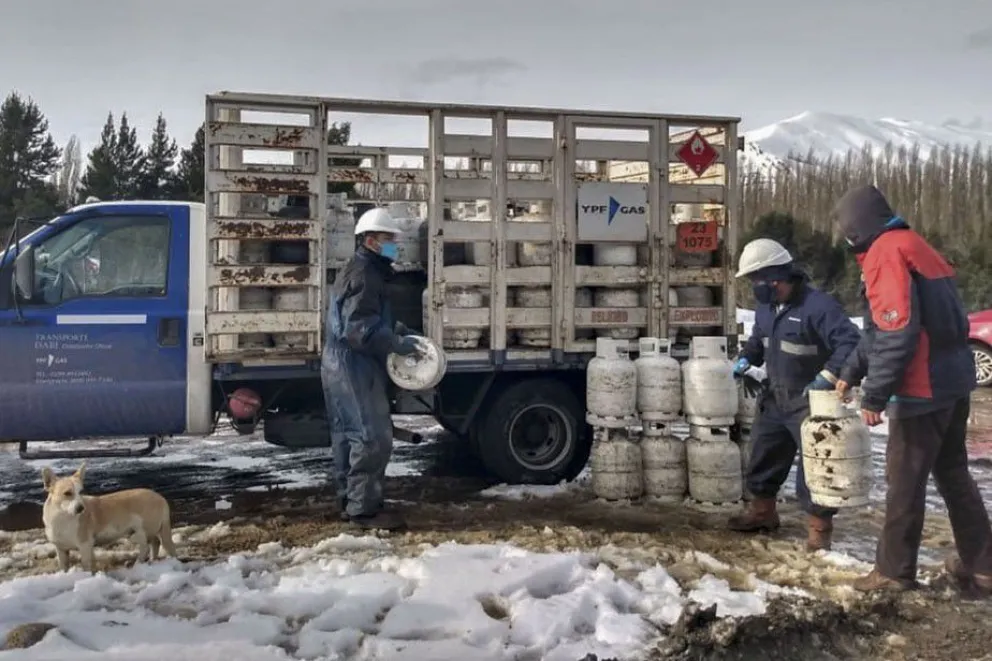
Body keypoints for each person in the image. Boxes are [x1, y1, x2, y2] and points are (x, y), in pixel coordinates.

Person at [833, 184, 992, 594]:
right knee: (954, 474)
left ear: (856, 228)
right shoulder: (916, 245)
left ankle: (893, 572)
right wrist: (851, 370)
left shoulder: (885, 253)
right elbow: (879, 328)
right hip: (954, 382)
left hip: (922, 388)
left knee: (904, 481)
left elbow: (897, 332)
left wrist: (874, 395)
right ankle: (984, 565)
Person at [727, 238, 863, 551]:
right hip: (775, 396)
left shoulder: (818, 307)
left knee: (815, 466)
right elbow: (759, 339)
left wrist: (828, 376)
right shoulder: (766, 308)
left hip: (811, 400)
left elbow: (850, 342)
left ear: (776, 276)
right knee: (764, 455)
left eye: (757, 280)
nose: (754, 286)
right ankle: (763, 513)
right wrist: (746, 358)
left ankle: (818, 531)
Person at [321, 207, 420, 531]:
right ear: (370, 240)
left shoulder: (363, 269)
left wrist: (394, 330)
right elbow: (358, 327)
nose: (394, 244)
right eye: (388, 238)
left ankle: (350, 502)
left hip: (342, 362)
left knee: (348, 436)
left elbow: (364, 317)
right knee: (371, 436)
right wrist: (394, 342)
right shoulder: (365, 274)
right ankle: (363, 512)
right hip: (354, 363)